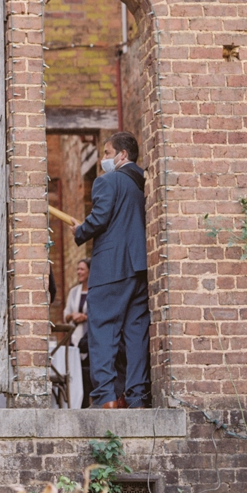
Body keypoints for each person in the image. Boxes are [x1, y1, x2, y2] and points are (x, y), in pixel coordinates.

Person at [73, 132, 149, 409]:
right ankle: (137, 397)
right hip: (139, 268)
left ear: (122, 156)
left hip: (111, 268)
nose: (103, 160)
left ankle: (106, 397)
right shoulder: (144, 183)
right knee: (136, 333)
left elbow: (100, 217)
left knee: (102, 330)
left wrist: (80, 230)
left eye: (106, 153)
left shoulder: (108, 180)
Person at [63, 257, 93, 406]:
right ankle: (78, 404)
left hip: (89, 338)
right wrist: (72, 316)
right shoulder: (74, 292)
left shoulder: (95, 290)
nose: (78, 272)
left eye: (82, 269)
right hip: (74, 339)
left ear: (89, 271)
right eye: (77, 269)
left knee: (89, 374)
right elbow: (66, 314)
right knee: (76, 373)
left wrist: (85, 317)